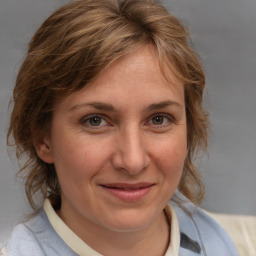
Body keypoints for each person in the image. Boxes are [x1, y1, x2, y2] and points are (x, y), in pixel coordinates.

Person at [1, 0, 239, 255]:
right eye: (95, 120)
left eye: (158, 119)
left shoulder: (235, 243)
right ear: (43, 139)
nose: (133, 161)